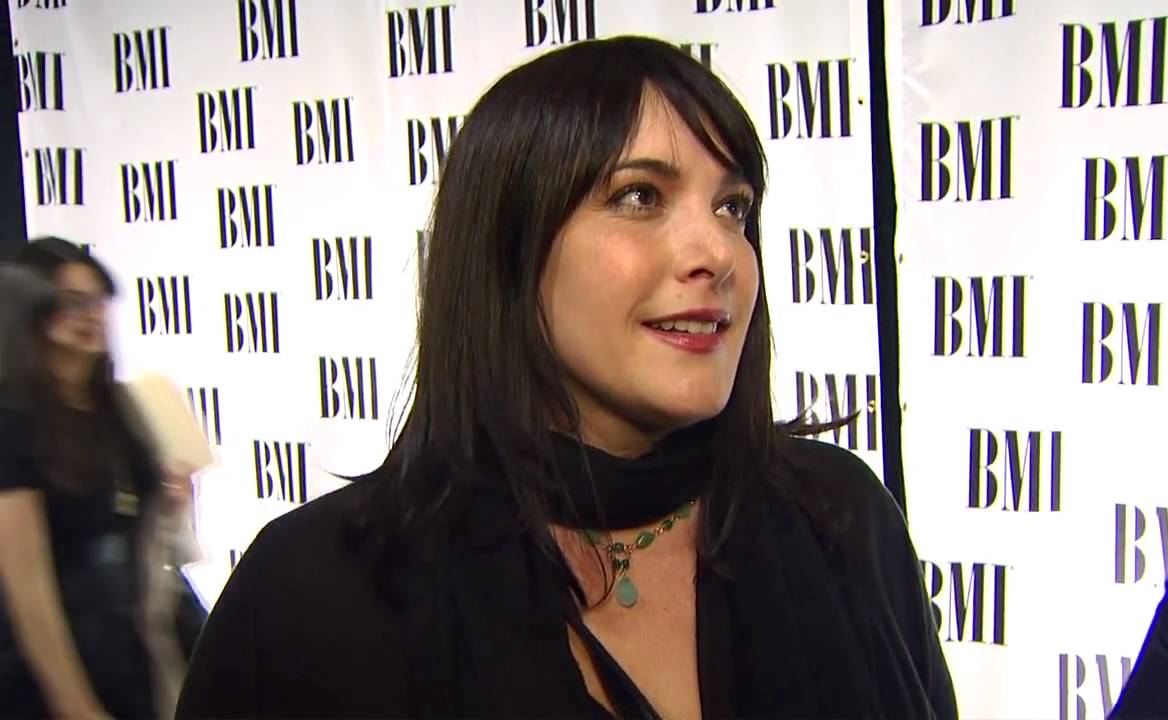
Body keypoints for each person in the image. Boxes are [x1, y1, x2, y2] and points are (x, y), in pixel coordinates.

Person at [176, 36, 958, 719]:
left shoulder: (842, 517)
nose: (718, 253)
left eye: (733, 208)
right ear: (508, 251)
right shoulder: (313, 593)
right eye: (639, 196)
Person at [0, 239, 195, 719]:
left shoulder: (120, 410)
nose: (90, 315)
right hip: (49, 669)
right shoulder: (14, 422)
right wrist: (77, 707)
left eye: (97, 300)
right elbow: (27, 585)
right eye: (70, 301)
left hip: (132, 651)